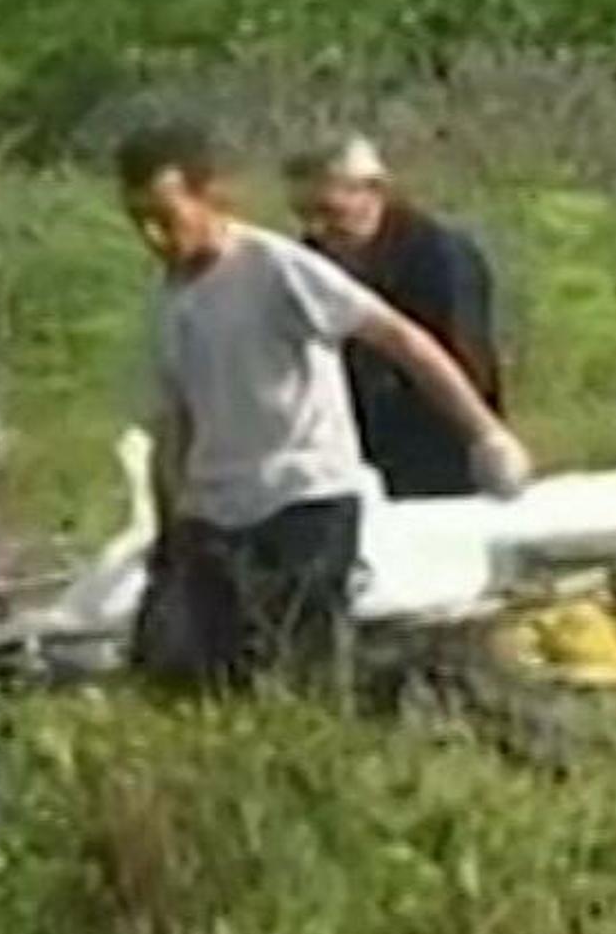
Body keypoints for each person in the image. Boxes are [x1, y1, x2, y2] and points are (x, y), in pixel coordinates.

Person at [116, 121, 531, 697]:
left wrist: (485, 435)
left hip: (302, 501)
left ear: (211, 197)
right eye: (140, 223)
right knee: (195, 677)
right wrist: (170, 535)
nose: (155, 238)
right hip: (218, 511)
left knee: (300, 672)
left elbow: (400, 339)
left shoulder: (274, 267)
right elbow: (178, 419)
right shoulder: (170, 300)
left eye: (167, 218)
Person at [285, 134, 505, 501]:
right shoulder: (308, 262)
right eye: (304, 216)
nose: (316, 230)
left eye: (329, 212)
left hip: (437, 447)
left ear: (374, 192)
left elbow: (465, 360)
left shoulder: (439, 257)